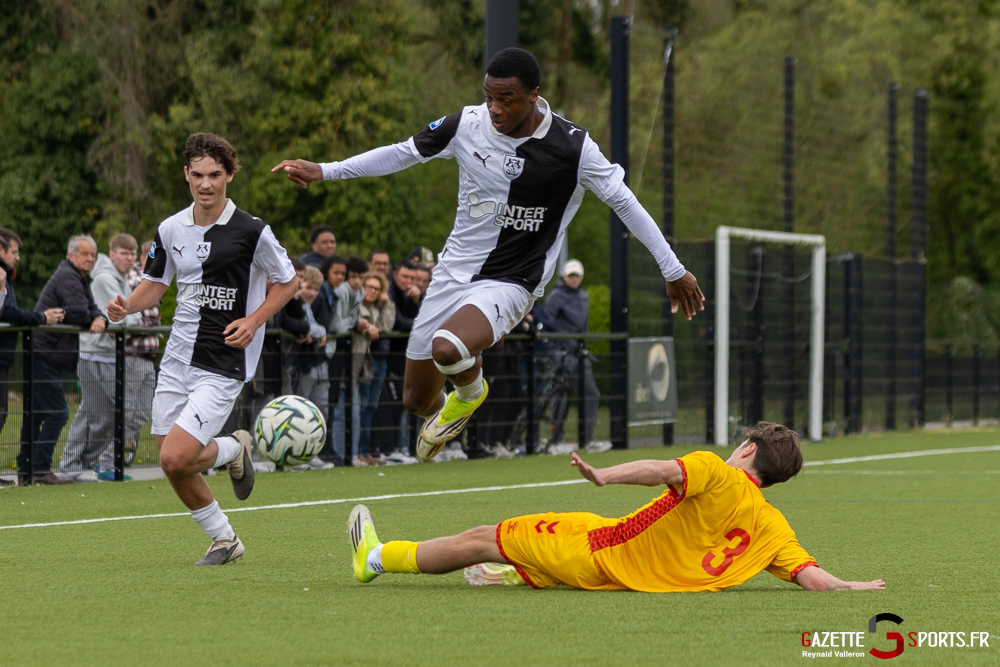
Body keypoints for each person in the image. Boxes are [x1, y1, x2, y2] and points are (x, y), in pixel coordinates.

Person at [273, 47, 704, 462]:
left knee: (448, 348)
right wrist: (326, 170)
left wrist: (673, 268)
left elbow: (625, 202)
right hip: (453, 270)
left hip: (514, 278)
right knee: (417, 399)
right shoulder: (467, 125)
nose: (494, 108)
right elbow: (404, 153)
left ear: (534, 96)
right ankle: (455, 405)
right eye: (488, 96)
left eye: (506, 99)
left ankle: (472, 390)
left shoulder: (573, 147)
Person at [346, 422, 886, 593]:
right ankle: (509, 575)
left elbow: (663, 470)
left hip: (602, 553)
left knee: (486, 533)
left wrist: (605, 474)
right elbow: (812, 577)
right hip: (626, 564)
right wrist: (851, 587)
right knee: (527, 543)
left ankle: (375, 558)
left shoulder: (718, 472)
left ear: (747, 449)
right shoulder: (772, 524)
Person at [108, 133, 298, 565]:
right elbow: (156, 284)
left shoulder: (253, 231)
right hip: (177, 356)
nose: (206, 184)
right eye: (198, 175)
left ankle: (232, 450)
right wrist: (126, 308)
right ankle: (225, 537)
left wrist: (253, 320)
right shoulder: (171, 228)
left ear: (229, 175)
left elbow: (288, 282)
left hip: (224, 360)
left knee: (178, 455)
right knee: (170, 459)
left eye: (215, 175)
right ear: (186, 175)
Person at [18, 235, 106, 485]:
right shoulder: (69, 276)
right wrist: (94, 318)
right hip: (45, 352)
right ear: (71, 256)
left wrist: (100, 318)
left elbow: (89, 307)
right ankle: (40, 469)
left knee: (36, 414)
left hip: (47, 352)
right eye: (84, 254)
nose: (89, 258)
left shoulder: (78, 277)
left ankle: (27, 470)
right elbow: (80, 311)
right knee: (57, 412)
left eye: (93, 254)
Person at [60, 234, 143, 480]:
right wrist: (129, 318)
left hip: (106, 354)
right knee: (98, 414)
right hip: (96, 354)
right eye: (124, 254)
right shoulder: (107, 278)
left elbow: (131, 316)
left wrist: (129, 317)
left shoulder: (119, 278)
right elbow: (128, 317)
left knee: (100, 414)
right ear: (113, 253)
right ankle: (71, 466)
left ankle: (73, 466)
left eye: (132, 254)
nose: (129, 259)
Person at [0, 229, 64, 441]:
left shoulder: (5, 277)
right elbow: (5, 311)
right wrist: (41, 318)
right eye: (14, 252)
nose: (17, 258)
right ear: (1, 250)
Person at [540, 259, 601, 453]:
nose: (574, 279)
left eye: (577, 276)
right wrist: (563, 343)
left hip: (579, 354)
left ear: (581, 277)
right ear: (564, 276)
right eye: (571, 276)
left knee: (591, 394)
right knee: (560, 397)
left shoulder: (583, 296)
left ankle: (588, 439)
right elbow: (548, 322)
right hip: (562, 354)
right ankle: (556, 441)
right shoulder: (556, 296)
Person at [353, 271, 395, 465]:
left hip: (379, 361)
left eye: (377, 289)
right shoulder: (357, 305)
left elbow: (387, 327)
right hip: (362, 361)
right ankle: (357, 452)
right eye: (369, 286)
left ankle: (366, 451)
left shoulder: (379, 307)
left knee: (371, 406)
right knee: (360, 406)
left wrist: (388, 304)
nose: (372, 291)